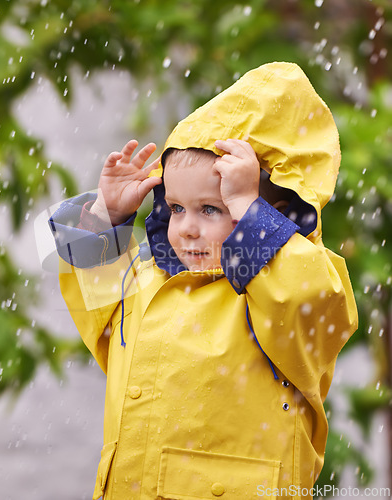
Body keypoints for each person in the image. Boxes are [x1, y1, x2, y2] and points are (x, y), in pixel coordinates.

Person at [48, 62, 358, 500]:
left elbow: (305, 303)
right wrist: (107, 217)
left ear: (274, 209)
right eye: (175, 207)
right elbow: (98, 317)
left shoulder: (289, 288)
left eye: (211, 209)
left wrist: (250, 214)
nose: (186, 228)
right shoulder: (151, 279)